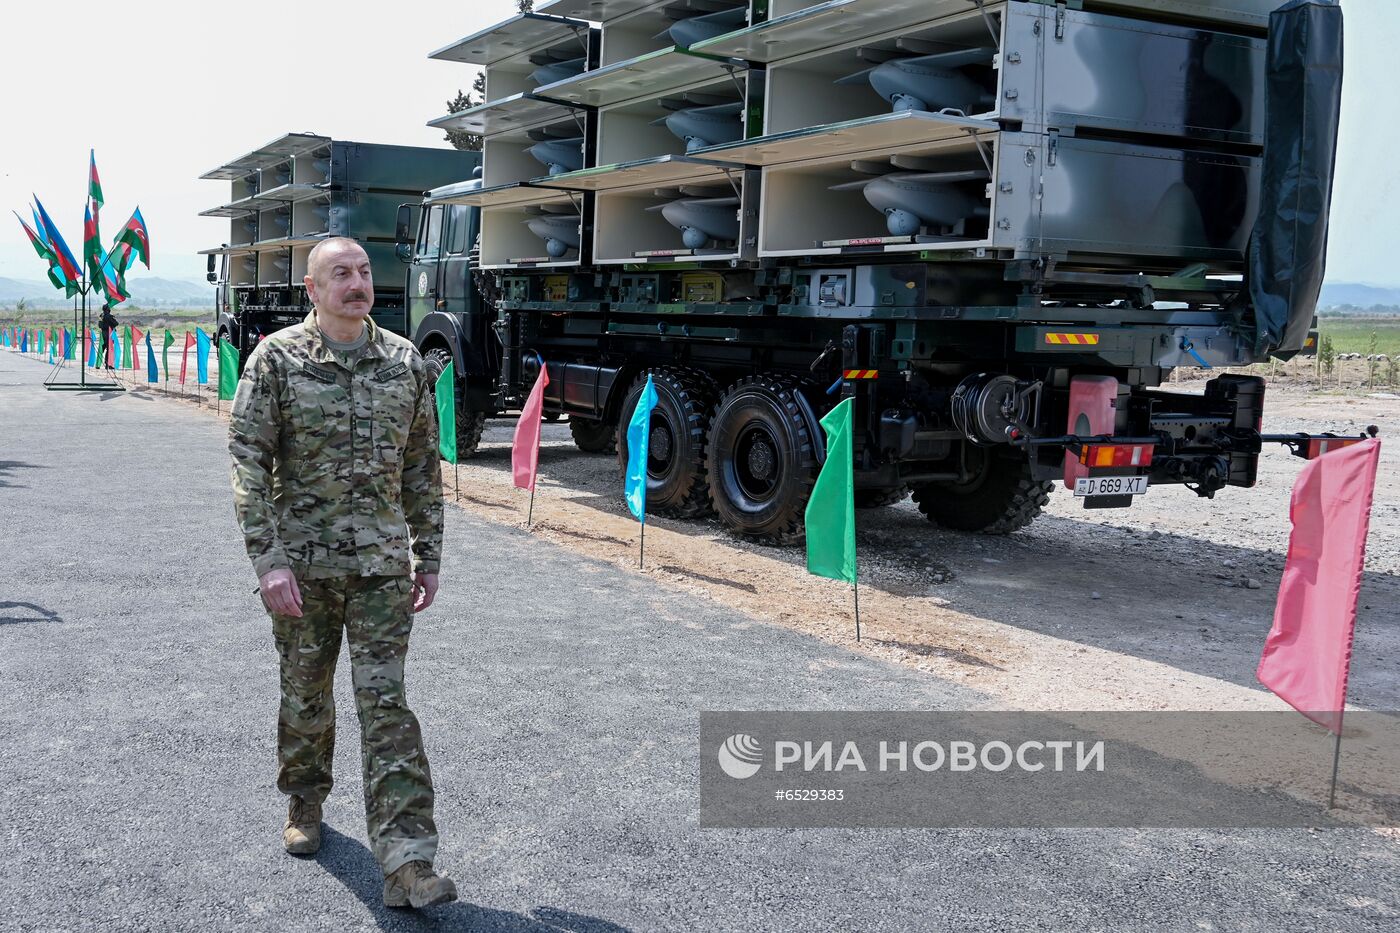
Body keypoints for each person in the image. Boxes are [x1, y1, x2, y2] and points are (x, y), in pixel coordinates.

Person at [227, 237, 455, 909]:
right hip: (303, 568)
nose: (357, 283)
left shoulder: (405, 361)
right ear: (312, 288)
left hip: (381, 567)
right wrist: (267, 560)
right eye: (341, 274)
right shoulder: (276, 360)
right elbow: (246, 461)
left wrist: (429, 553)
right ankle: (304, 796)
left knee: (387, 708)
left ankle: (408, 863)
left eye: (362, 272)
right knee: (306, 693)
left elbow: (422, 466)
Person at [98, 303, 118, 370]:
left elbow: (100, 324)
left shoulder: (101, 315)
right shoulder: (108, 316)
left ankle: (102, 364)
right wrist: (113, 318)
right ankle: (108, 364)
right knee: (110, 349)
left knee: (105, 349)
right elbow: (116, 323)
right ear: (107, 309)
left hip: (104, 333)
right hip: (109, 334)